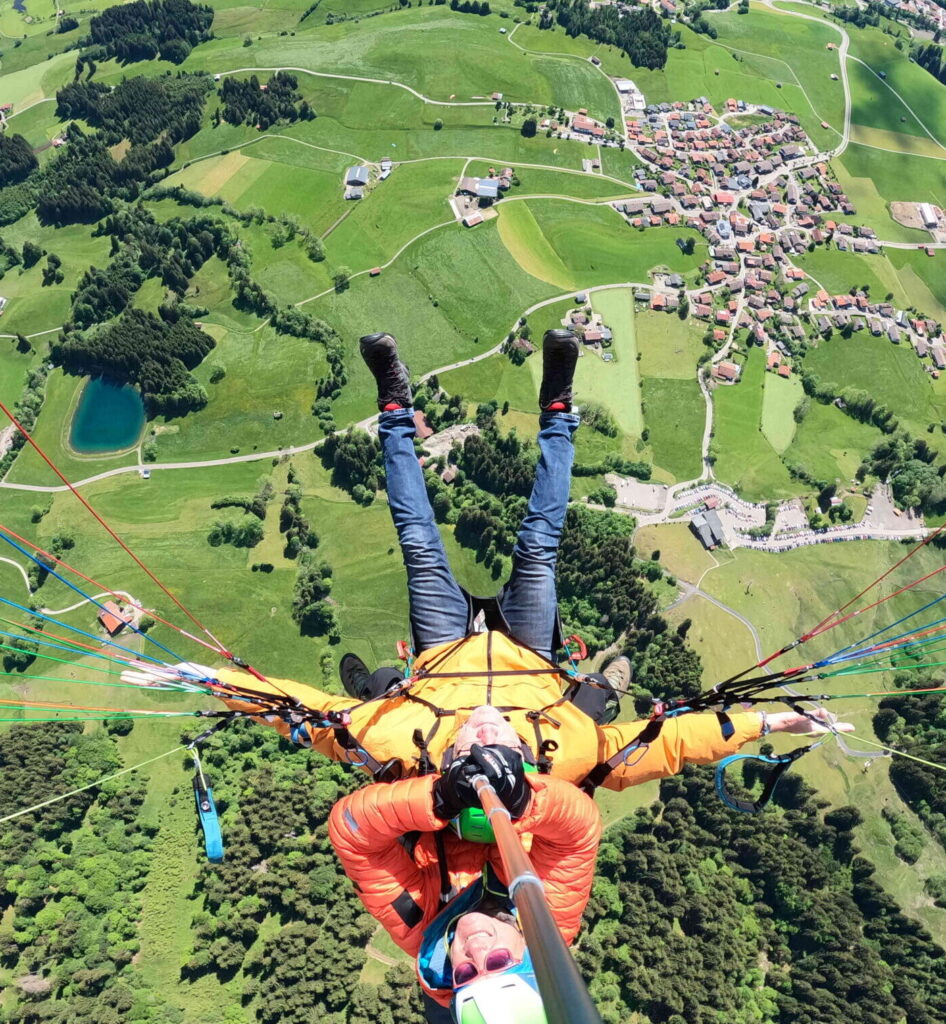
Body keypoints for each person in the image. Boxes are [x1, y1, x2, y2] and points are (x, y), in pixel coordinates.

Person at [210, 330, 846, 793]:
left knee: (417, 538)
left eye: (469, 750)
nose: (485, 733)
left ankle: (396, 409)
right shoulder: (568, 758)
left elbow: (307, 715)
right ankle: (559, 409)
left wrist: (209, 681)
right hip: (531, 654)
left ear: (449, 765)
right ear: (524, 764)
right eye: (502, 749)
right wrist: (772, 719)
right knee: (540, 542)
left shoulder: (400, 751)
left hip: (440, 656)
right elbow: (676, 744)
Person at [328, 736, 601, 1024]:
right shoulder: (548, 917)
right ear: (531, 958)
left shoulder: (420, 924)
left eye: (465, 973)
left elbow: (352, 830)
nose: (475, 949)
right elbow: (578, 833)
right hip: (518, 765)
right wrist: (527, 800)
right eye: (498, 962)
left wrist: (437, 798)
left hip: (442, 777)